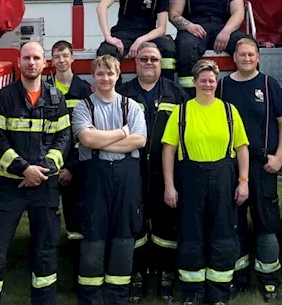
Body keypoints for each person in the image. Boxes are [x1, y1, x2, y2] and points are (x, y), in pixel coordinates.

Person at [0, 41, 70, 305]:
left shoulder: (56, 98)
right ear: (19, 62)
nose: (31, 63)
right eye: (27, 58)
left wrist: (45, 169)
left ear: (45, 64)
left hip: (44, 185)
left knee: (45, 251)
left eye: (36, 58)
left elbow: (64, 139)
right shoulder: (6, 97)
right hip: (10, 187)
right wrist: (23, 169)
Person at [162, 61, 250, 305]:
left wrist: (243, 182)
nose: (207, 84)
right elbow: (168, 150)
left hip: (223, 176)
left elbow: (242, 148)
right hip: (190, 177)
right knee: (191, 236)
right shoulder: (181, 112)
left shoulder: (229, 111)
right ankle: (192, 293)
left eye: (211, 80)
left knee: (222, 235)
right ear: (194, 82)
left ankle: (219, 293)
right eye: (203, 79)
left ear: (216, 82)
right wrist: (169, 185)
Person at [216, 37, 282, 302]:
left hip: (263, 165)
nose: (247, 58)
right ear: (234, 58)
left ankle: (269, 280)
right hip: (230, 166)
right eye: (242, 55)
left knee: (266, 224)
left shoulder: (269, 85)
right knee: (232, 224)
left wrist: (280, 157)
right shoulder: (222, 86)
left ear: (258, 57)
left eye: (251, 54)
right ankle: (238, 278)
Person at [73, 55, 149, 305]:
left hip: (127, 175)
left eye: (110, 73)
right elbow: (88, 140)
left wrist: (105, 139)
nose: (105, 78)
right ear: (92, 77)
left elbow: (139, 140)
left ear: (118, 76)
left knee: (124, 232)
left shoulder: (131, 106)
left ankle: (118, 295)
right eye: (100, 73)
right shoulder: (84, 107)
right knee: (93, 233)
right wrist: (122, 133)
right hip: (94, 176)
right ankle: (91, 296)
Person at [118, 41, 190, 303]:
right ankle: (136, 275)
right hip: (131, 170)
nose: (149, 63)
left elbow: (184, 135)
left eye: (154, 60)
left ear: (161, 64)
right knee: (133, 224)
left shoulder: (176, 94)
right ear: (135, 63)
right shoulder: (122, 93)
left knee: (166, 224)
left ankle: (165, 275)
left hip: (165, 172)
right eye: (144, 59)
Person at [96, 0, 176, 75]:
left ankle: (165, 89)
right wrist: (108, 37)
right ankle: (115, 93)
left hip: (148, 35)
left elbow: (161, 29)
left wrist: (140, 41)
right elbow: (101, 7)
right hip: (123, 33)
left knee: (168, 47)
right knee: (107, 52)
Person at [48, 41, 94, 248]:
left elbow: (88, 132)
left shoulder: (84, 90)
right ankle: (48, 248)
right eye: (57, 56)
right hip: (49, 164)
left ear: (72, 58)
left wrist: (71, 168)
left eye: (65, 55)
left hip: (76, 163)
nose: (61, 60)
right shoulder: (45, 90)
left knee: (77, 210)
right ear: (52, 60)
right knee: (47, 212)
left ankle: (76, 252)